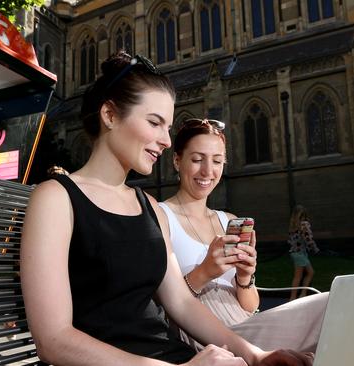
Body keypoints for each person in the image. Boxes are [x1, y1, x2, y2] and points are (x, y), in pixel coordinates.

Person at [20, 51, 313, 366]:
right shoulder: (55, 199)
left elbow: (183, 304)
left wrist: (257, 356)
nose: (165, 140)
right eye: (154, 123)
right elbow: (54, 340)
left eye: (168, 127)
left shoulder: (149, 208)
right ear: (109, 115)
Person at [159, 118, 327, 353]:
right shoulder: (161, 215)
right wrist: (205, 272)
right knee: (331, 306)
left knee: (349, 330)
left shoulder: (227, 219)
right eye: (197, 159)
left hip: (246, 325)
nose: (208, 171)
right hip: (207, 337)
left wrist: (245, 276)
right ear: (177, 161)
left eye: (217, 161)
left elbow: (250, 306)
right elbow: (160, 306)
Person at [288, 205, 319, 300]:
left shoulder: (293, 226)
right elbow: (308, 239)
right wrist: (315, 249)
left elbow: (290, 241)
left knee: (308, 273)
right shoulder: (304, 224)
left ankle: (302, 294)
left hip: (296, 252)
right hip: (299, 253)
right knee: (299, 276)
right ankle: (294, 297)